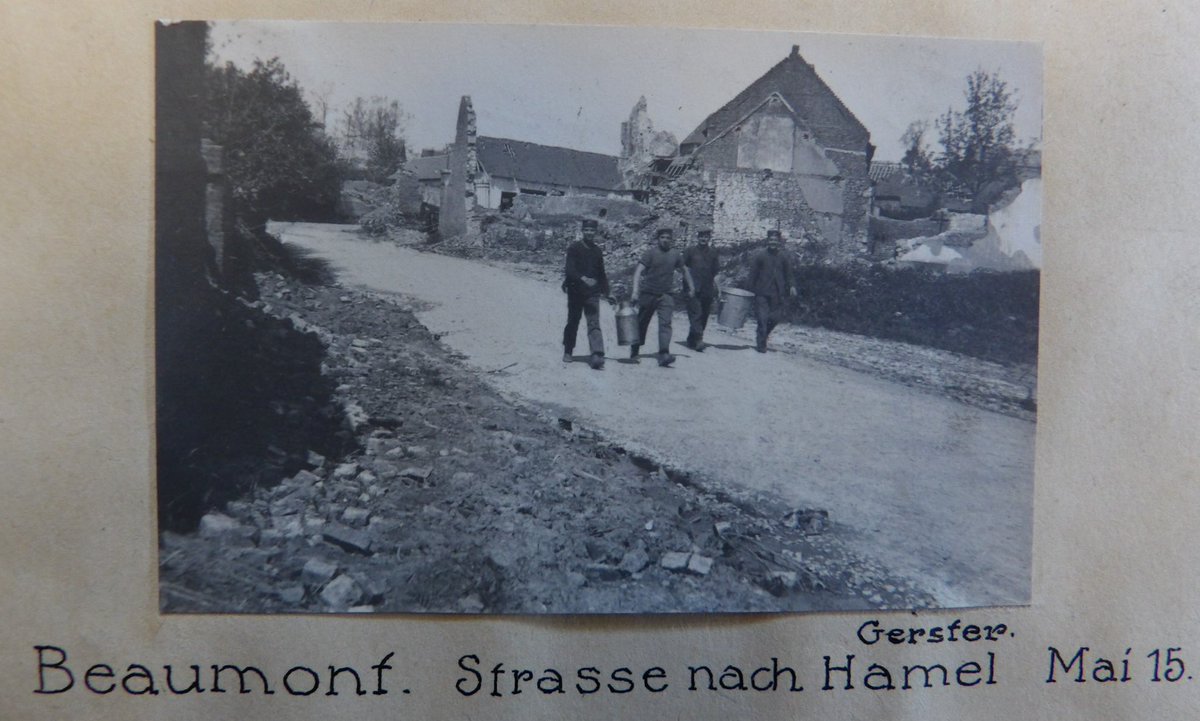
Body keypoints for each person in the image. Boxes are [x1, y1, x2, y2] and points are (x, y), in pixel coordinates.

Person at [630, 227, 694, 367]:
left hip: (666, 295)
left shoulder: (675, 254)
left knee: (665, 324)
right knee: (642, 323)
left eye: (668, 238)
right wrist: (635, 291)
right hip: (648, 293)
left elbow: (684, 270)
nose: (665, 240)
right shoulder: (650, 253)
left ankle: (664, 353)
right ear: (658, 239)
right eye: (662, 238)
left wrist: (691, 287)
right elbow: (638, 272)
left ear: (672, 240)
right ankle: (634, 351)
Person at [561, 218, 609, 370]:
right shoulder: (574, 248)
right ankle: (568, 350)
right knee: (573, 321)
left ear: (596, 232)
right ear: (582, 231)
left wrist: (608, 292)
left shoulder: (597, 251)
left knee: (594, 322)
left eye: (592, 231)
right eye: (586, 230)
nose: (589, 233)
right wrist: (584, 278)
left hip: (592, 293)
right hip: (575, 292)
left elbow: (601, 274)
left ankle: (597, 354)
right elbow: (569, 270)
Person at [748, 229, 797, 353]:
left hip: (777, 293)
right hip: (761, 293)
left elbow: (789, 274)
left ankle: (763, 335)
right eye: (771, 240)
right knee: (762, 319)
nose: (773, 242)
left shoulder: (783, 257)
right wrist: (748, 291)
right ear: (767, 240)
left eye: (775, 240)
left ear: (779, 242)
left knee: (775, 318)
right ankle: (761, 344)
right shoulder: (760, 256)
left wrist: (792, 286)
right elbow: (752, 275)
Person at [682, 229, 721, 351]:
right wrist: (688, 283)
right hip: (692, 288)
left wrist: (719, 290)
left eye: (706, 237)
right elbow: (682, 268)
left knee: (704, 315)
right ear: (697, 238)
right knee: (696, 313)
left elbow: (716, 273)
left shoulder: (713, 253)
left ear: (709, 238)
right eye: (701, 237)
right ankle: (699, 339)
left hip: (707, 289)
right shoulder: (690, 251)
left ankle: (691, 338)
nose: (704, 239)